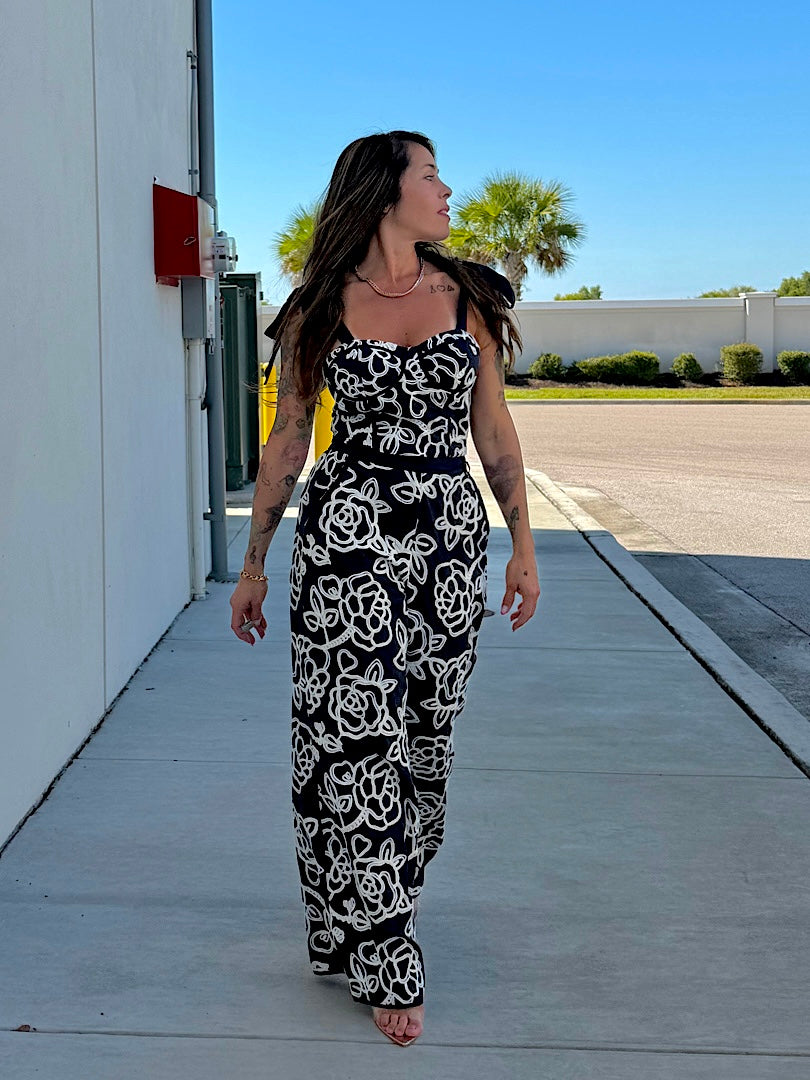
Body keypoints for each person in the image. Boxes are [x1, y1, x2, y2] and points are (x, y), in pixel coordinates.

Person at [229, 130, 540, 1047]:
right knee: (355, 739)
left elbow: (496, 431)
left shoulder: (466, 297)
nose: (447, 190)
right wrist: (253, 565)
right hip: (348, 547)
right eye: (432, 175)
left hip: (448, 545)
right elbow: (289, 439)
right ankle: (386, 948)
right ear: (383, 191)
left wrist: (522, 544)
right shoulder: (320, 306)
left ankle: (347, 913)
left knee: (424, 745)